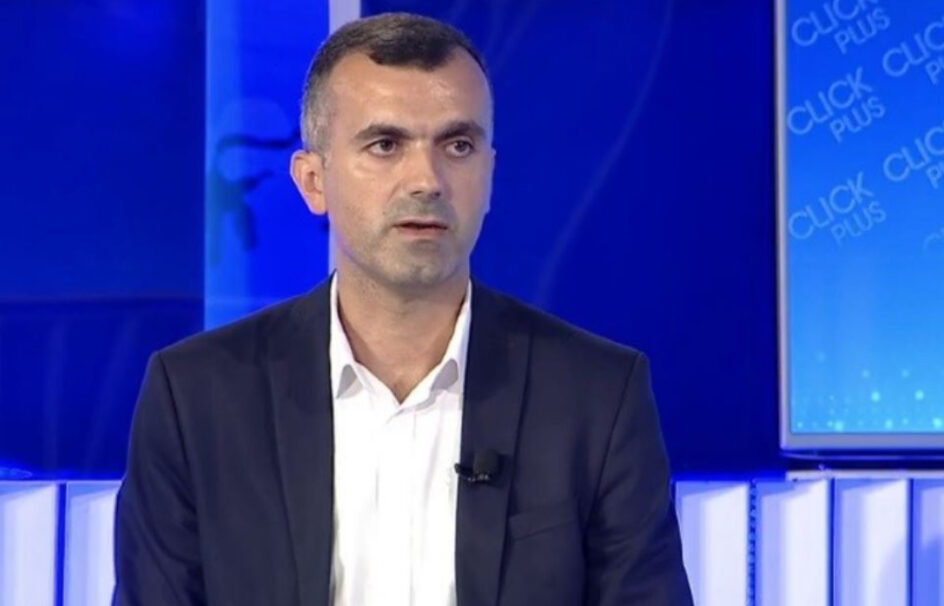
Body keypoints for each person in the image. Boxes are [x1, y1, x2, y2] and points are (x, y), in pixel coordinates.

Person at [113, 12, 693, 606]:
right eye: (385, 145)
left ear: (490, 175)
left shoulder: (596, 396)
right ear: (313, 180)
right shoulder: (197, 397)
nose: (426, 180)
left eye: (458, 145)